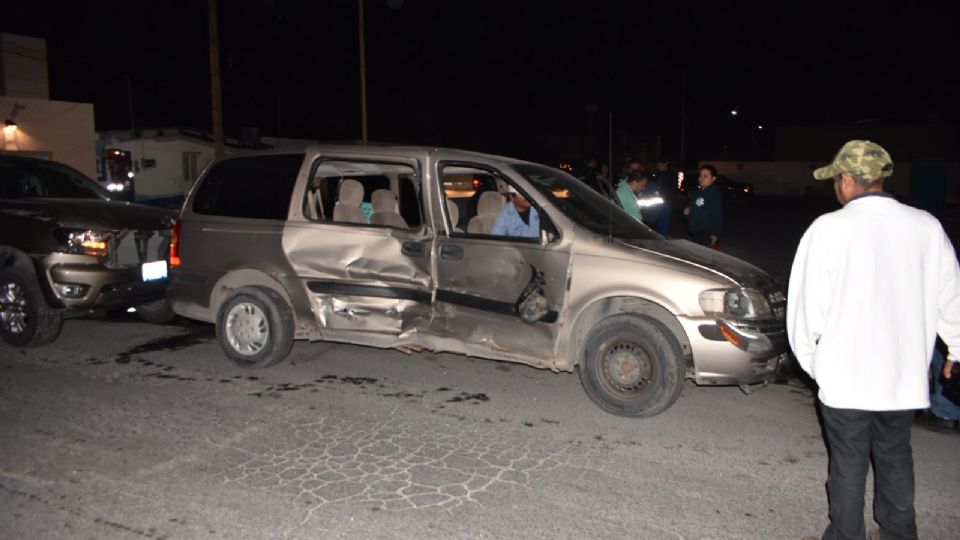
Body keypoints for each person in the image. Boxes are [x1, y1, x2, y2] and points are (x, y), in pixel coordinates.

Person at [788, 140, 960, 540]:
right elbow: (951, 295)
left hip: (846, 380)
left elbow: (805, 309)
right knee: (895, 457)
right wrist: (956, 348)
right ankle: (899, 533)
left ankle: (847, 535)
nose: (835, 188)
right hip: (902, 380)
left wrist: (816, 364)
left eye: (836, 180)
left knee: (848, 464)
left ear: (848, 180)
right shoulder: (926, 226)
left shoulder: (828, 229)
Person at [683, 164, 722, 247]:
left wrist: (714, 233)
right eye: (700, 176)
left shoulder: (714, 194)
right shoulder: (697, 192)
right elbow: (691, 206)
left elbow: (716, 214)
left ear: (713, 178)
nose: (701, 178)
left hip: (705, 229)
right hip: (695, 228)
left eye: (705, 176)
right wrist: (687, 211)